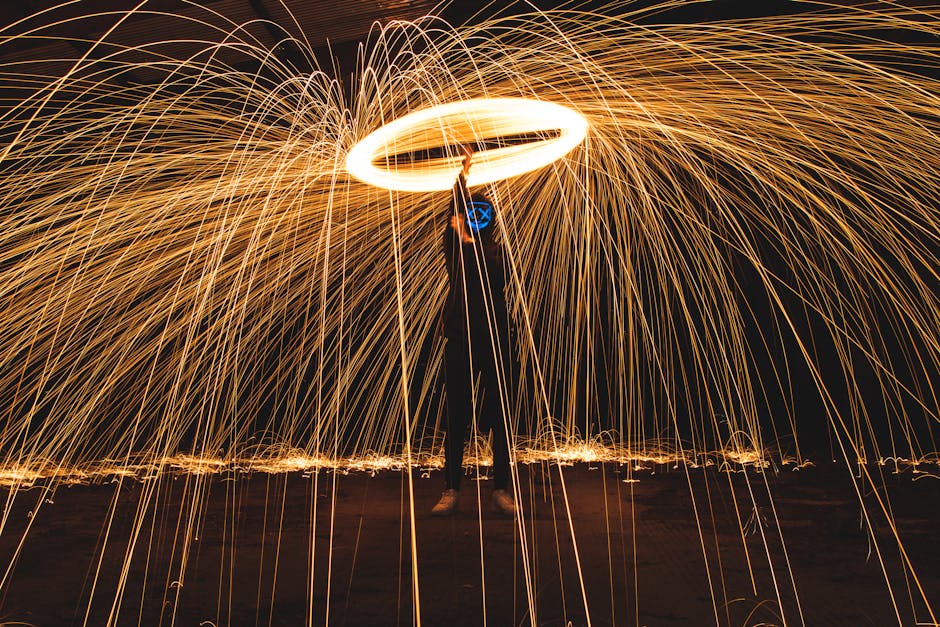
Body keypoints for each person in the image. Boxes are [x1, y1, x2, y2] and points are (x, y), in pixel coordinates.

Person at [432, 145, 516, 517]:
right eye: (468, 213)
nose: (471, 219)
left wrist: (469, 239)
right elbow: (453, 208)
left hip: (494, 339)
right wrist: (463, 173)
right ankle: (451, 489)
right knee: (456, 417)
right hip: (459, 339)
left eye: (478, 214)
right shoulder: (454, 247)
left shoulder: (496, 252)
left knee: (500, 418)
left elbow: (495, 276)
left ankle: (501, 490)